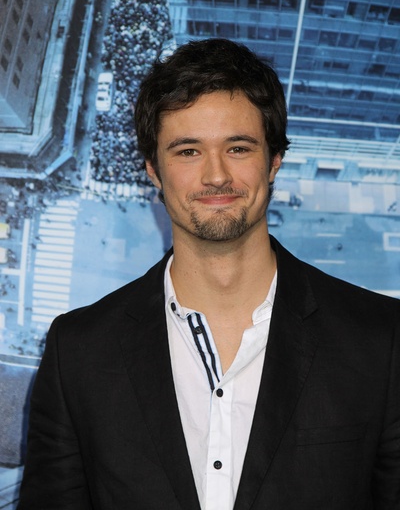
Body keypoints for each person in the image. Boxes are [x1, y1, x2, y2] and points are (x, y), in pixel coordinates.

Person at [18, 39, 400, 510]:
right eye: (188, 151)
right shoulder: (78, 352)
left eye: (238, 148)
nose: (216, 176)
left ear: (274, 160)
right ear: (153, 170)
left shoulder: (381, 340)